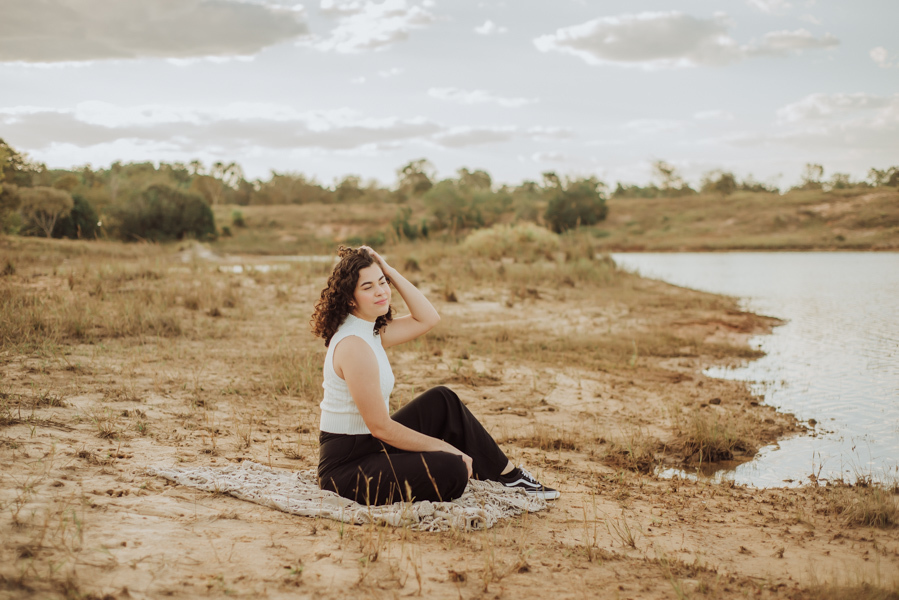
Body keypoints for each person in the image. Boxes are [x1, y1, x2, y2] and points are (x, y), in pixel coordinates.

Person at [310, 245, 560, 506]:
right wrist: (445, 448)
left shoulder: (369, 331)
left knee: (442, 400)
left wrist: (390, 270)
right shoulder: (354, 346)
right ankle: (460, 465)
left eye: (383, 282)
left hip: (371, 447)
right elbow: (381, 427)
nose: (381, 292)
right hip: (347, 470)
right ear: (351, 298)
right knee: (452, 468)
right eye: (368, 287)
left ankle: (510, 476)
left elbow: (427, 319)